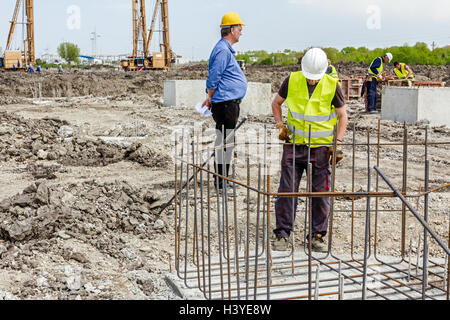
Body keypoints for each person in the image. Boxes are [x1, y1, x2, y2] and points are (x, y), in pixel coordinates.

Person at [271, 48, 348, 252]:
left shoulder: (332, 85)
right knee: (287, 191)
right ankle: (282, 234)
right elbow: (276, 103)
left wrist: (337, 143)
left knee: (321, 193)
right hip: (294, 145)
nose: (312, 81)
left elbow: (343, 116)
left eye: (316, 78)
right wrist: (280, 125)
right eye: (309, 77)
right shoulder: (292, 80)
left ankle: (317, 235)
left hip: (321, 148)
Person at [202, 12, 247, 193]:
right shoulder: (222, 50)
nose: (241, 33)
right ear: (231, 30)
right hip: (225, 104)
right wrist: (210, 97)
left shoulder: (225, 49)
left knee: (226, 141)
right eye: (239, 29)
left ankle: (223, 179)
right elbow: (214, 77)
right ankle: (221, 182)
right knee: (225, 142)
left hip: (229, 103)